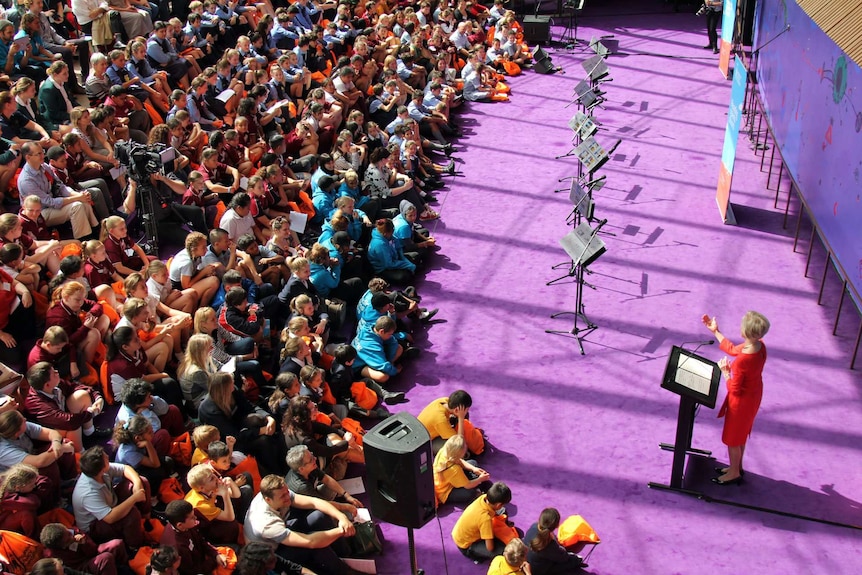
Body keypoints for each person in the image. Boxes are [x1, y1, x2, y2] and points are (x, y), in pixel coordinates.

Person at [702, 311, 770, 485]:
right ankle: (736, 466)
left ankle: (733, 472)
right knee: (740, 436)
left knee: (733, 439)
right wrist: (715, 331)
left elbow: (734, 389)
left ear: (746, 331)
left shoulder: (742, 361)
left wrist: (725, 372)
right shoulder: (760, 346)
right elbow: (732, 349)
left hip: (741, 403)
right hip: (754, 396)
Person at [243, 473, 358, 575]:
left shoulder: (277, 493)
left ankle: (346, 553)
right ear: (268, 500)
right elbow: (310, 542)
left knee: (318, 516)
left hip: (281, 531)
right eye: (283, 496)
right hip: (273, 552)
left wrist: (341, 517)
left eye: (287, 492)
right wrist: (341, 530)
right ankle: (344, 571)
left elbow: (314, 502)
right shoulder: (265, 523)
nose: (288, 497)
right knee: (315, 547)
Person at [71, 445, 150, 549]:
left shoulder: (99, 471)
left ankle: (147, 519)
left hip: (111, 503)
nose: (108, 456)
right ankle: (135, 547)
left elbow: (126, 468)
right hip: (96, 525)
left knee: (141, 481)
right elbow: (110, 518)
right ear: (101, 469)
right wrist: (135, 497)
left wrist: (136, 484)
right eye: (106, 458)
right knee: (131, 514)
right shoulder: (87, 493)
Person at [22, 362, 108, 452]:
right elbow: (67, 421)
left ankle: (90, 433)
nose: (57, 372)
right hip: (49, 435)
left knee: (81, 395)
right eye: (54, 373)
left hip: (62, 418)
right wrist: (91, 413)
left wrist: (97, 397)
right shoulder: (38, 404)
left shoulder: (54, 384)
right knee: (72, 425)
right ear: (47, 385)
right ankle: (81, 454)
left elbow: (74, 387)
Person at [285, 444, 363, 515]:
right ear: (301, 469)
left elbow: (326, 479)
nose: (315, 458)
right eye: (311, 459)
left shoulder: (310, 468)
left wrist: (346, 495)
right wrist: (346, 507)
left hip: (315, 494)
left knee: (332, 486)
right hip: (304, 511)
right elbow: (322, 504)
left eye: (312, 455)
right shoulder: (301, 486)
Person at [161, 499, 230, 575]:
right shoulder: (177, 547)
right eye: (192, 517)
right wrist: (214, 560)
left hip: (204, 558)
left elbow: (201, 540)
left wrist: (216, 554)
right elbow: (192, 570)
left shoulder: (187, 525)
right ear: (180, 525)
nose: (196, 518)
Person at [452, 481, 513, 562]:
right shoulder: (485, 519)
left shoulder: (483, 497)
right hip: (467, 546)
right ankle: (475, 556)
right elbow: (490, 547)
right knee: (503, 550)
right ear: (498, 505)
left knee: (502, 511)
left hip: (459, 535)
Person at [40, 522, 128, 575]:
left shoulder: (75, 532)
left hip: (91, 554)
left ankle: (123, 567)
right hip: (81, 567)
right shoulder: (51, 556)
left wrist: (83, 543)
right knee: (106, 558)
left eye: (69, 533)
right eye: (67, 540)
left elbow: (93, 551)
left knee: (117, 544)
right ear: (61, 547)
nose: (72, 537)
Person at [418, 389, 486, 455]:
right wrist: (461, 418)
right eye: (466, 409)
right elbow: (459, 441)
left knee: (463, 416)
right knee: (458, 449)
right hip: (425, 443)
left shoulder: (444, 400)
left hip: (431, 430)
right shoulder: (441, 420)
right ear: (456, 410)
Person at [524, 508, 587, 573]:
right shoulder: (550, 545)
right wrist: (575, 559)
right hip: (537, 571)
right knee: (570, 561)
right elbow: (563, 558)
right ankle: (578, 560)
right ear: (557, 526)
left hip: (525, 563)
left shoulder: (534, 526)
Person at [434, 434, 490, 506]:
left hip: (446, 481)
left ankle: (477, 485)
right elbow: (468, 485)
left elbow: (458, 460)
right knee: (470, 493)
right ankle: (477, 491)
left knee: (472, 463)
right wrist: (480, 479)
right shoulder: (454, 469)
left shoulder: (444, 451)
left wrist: (474, 469)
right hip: (445, 492)